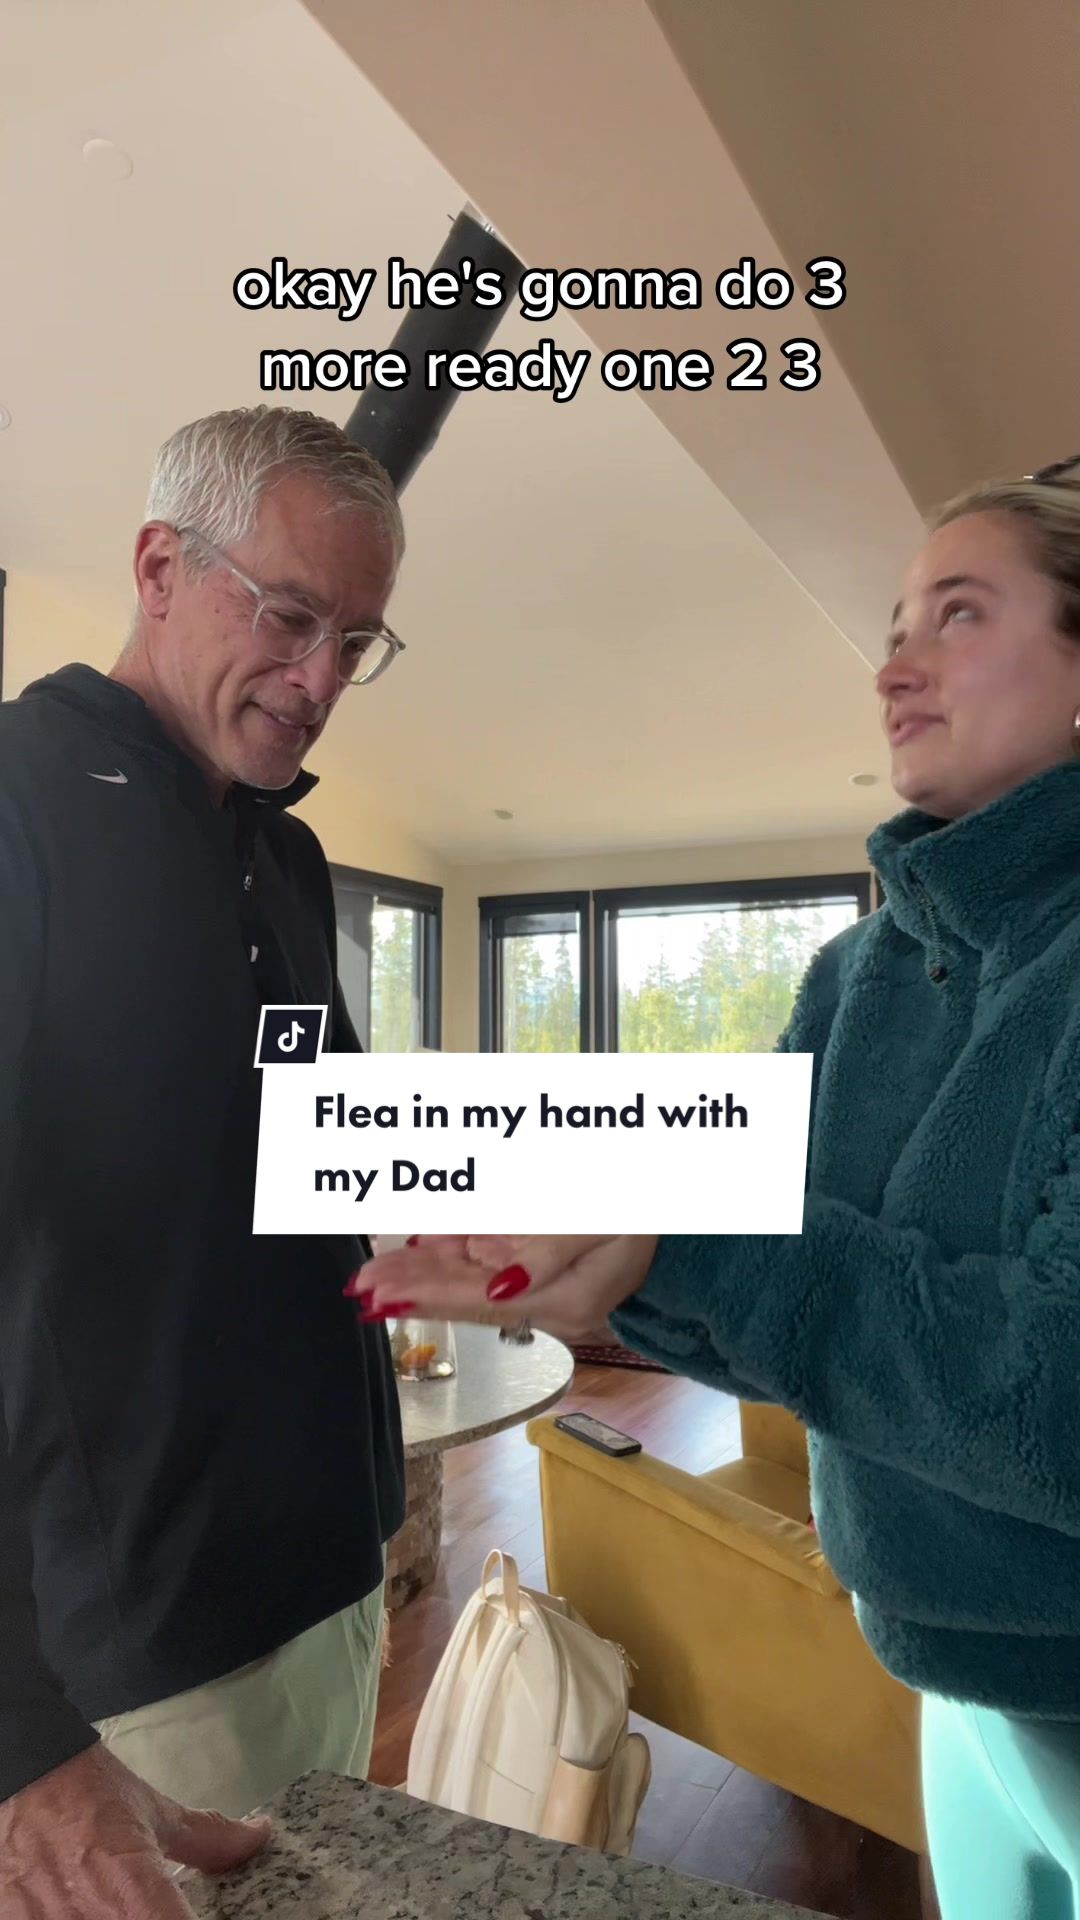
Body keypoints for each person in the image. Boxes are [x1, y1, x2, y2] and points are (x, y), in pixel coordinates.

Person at [359, 461, 1080, 1920]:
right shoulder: (855, 974)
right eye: (894, 626)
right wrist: (629, 1262)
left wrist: (684, 1230)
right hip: (941, 1685)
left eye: (958, 614)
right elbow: (769, 1307)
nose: (893, 667)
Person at [0, 406, 407, 1917]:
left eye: (356, 641)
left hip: (337, 1575)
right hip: (142, 1667)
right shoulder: (19, 807)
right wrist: (20, 1747)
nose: (321, 681)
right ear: (159, 568)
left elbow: (319, 1153)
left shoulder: (282, 852)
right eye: (289, 616)